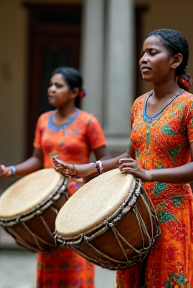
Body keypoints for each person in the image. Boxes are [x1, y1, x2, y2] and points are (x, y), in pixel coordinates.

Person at [53, 29, 193, 288]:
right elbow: (131, 156)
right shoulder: (138, 104)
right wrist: (88, 168)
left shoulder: (191, 106)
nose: (143, 59)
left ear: (175, 60)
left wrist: (149, 174)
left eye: (152, 52)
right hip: (134, 211)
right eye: (142, 53)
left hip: (172, 212)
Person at [0, 66, 110, 287]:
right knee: (50, 250)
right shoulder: (43, 120)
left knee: (76, 253)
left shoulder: (88, 122)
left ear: (74, 92)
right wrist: (10, 170)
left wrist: (87, 186)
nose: (51, 89)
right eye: (50, 85)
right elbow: (36, 160)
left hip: (76, 200)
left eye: (58, 86)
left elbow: (103, 162)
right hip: (47, 199)